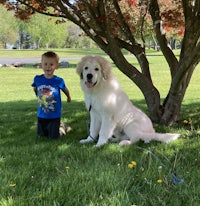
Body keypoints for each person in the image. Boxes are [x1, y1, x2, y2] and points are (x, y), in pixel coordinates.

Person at [32, 51, 71, 139]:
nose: (48, 67)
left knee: (53, 137)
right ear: (41, 65)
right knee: (41, 136)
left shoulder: (58, 80)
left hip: (55, 115)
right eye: (45, 64)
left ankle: (62, 128)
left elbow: (65, 89)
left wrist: (68, 97)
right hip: (41, 114)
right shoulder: (38, 79)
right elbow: (35, 88)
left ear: (57, 66)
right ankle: (54, 128)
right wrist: (37, 94)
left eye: (51, 64)